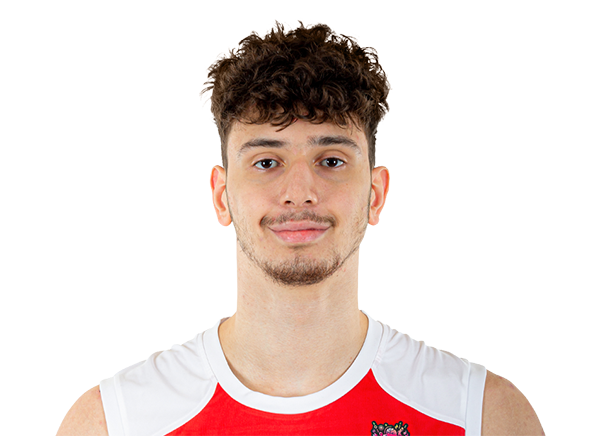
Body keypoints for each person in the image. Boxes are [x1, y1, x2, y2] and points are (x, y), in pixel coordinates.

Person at [58, 21, 544, 435]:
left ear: (375, 194)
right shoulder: (114, 422)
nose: (299, 191)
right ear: (221, 195)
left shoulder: (481, 416)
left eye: (331, 160)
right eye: (266, 162)